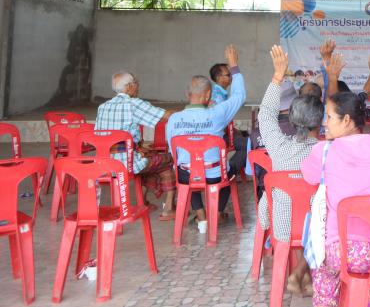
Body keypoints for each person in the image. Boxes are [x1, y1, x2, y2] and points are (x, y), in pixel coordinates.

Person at [300, 47, 370, 307]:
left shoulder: (323, 151)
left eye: (329, 118)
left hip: (341, 252)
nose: (324, 123)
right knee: (368, 275)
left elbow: (309, 178)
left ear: (347, 120)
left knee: (324, 269)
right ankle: (365, 301)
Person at [258, 45, 329, 296]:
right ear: (321, 123)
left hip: (282, 227)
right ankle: (303, 272)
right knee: (323, 217)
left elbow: (265, 115)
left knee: (303, 212)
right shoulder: (327, 152)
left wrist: (277, 77)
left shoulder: (278, 147)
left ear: (290, 120)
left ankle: (302, 272)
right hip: (318, 231)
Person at [166, 44, 247, 234]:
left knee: (188, 169)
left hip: (186, 175)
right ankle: (217, 213)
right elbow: (239, 95)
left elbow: (173, 153)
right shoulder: (217, 114)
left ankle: (201, 216)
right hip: (214, 175)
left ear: (187, 95)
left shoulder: (174, 119)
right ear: (209, 95)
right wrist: (234, 65)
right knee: (229, 169)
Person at [95, 71, 176, 220]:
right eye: (136, 83)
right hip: (127, 164)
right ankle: (169, 208)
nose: (138, 86)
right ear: (129, 87)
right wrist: (192, 113)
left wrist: (137, 147)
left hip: (105, 163)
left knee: (149, 157)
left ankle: (143, 201)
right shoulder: (133, 104)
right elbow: (166, 116)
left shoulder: (103, 107)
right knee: (168, 159)